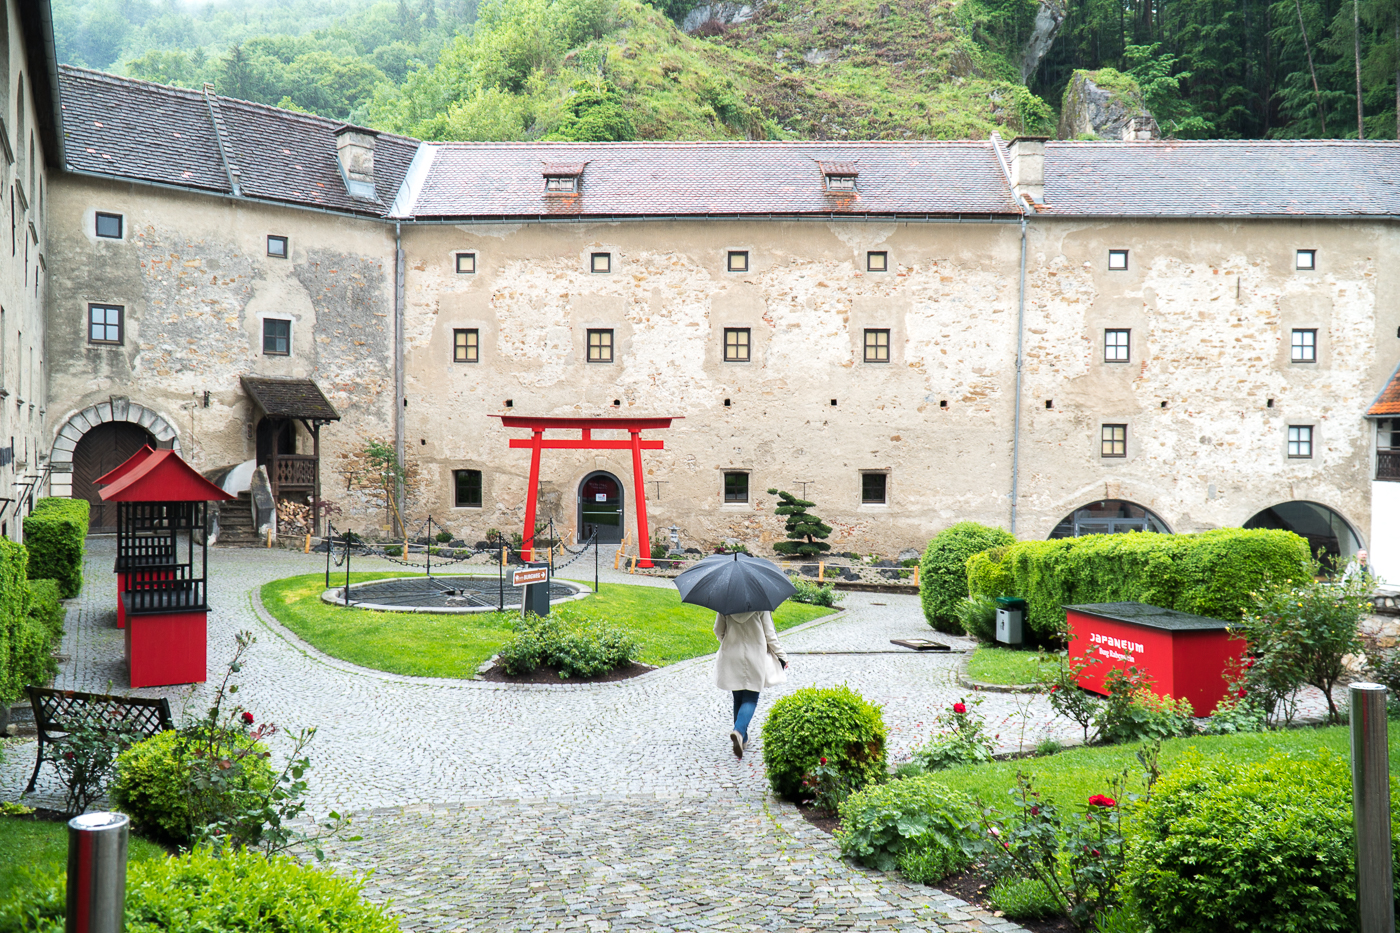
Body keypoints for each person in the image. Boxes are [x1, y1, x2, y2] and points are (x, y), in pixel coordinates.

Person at [714, 609, 789, 759]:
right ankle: (739, 732)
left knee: (738, 698)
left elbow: (718, 630)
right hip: (755, 656)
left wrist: (728, 643)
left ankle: (743, 739)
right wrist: (782, 656)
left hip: (732, 655)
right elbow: (770, 635)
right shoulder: (760, 606)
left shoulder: (726, 604)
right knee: (750, 699)